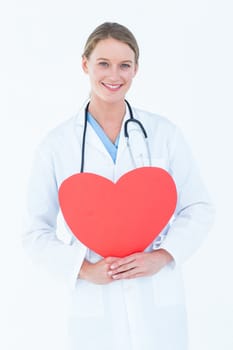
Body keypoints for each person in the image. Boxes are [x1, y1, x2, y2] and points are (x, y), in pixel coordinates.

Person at [23, 22, 214, 350]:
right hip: (94, 308)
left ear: (136, 69)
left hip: (158, 302)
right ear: (85, 64)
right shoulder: (56, 145)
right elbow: (34, 232)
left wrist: (162, 256)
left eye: (124, 65)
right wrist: (84, 270)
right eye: (103, 63)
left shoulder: (163, 134)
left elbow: (199, 208)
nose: (114, 75)